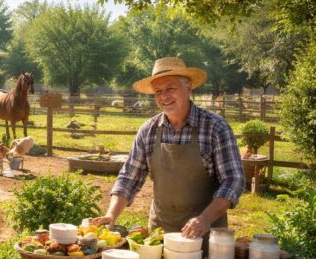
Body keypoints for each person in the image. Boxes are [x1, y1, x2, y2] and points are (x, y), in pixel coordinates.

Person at [93, 58, 245, 237]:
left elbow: (233, 180)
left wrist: (204, 218)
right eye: (158, 91)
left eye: (170, 89)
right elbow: (128, 178)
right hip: (160, 232)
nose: (164, 96)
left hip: (205, 233)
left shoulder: (215, 127)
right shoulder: (148, 130)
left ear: (188, 87)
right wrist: (111, 215)